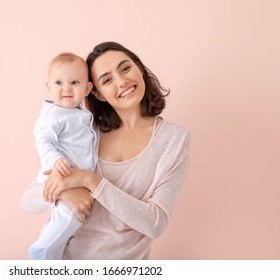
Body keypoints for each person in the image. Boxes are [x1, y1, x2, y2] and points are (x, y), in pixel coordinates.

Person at [21, 42, 190, 259]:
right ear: (97, 93)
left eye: (125, 68)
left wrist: (89, 180)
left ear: (139, 69)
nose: (122, 81)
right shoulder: (85, 132)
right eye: (107, 80)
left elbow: (155, 224)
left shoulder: (174, 138)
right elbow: (28, 203)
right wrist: (64, 190)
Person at [28, 52, 96, 260]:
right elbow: (44, 141)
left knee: (66, 216)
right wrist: (56, 160)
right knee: (72, 214)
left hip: (73, 177)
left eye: (74, 82)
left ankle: (50, 253)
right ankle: (44, 249)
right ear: (48, 87)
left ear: (87, 89)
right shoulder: (52, 114)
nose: (66, 88)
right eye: (58, 82)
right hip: (58, 173)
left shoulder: (81, 115)